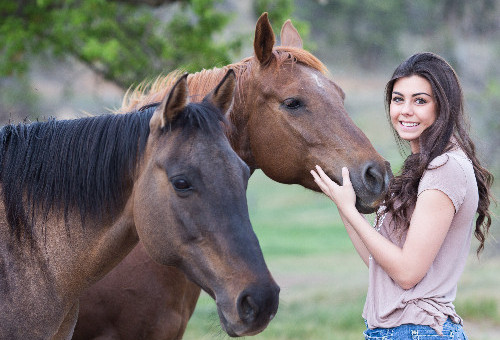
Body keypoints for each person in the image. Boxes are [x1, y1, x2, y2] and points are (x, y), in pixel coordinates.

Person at [310, 52, 494, 339]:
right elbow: (379, 265)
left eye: (420, 100)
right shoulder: (427, 167)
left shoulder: (444, 168)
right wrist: (344, 206)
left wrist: (349, 210)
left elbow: (407, 274)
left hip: (418, 331)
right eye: (398, 99)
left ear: (442, 106)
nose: (405, 110)